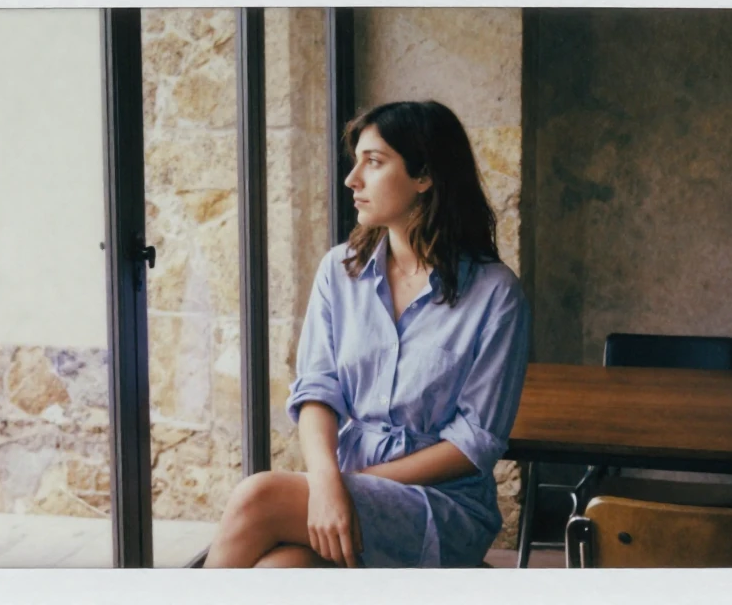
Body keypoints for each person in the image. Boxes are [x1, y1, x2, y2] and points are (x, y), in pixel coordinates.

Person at [203, 100, 531, 568]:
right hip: (344, 483)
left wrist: (345, 487)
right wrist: (327, 482)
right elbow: (317, 390)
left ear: (425, 176)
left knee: (259, 497)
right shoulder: (340, 271)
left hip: (440, 506)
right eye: (355, 161)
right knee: (279, 573)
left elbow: (472, 442)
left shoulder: (497, 295)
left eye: (373, 162)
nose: (351, 179)